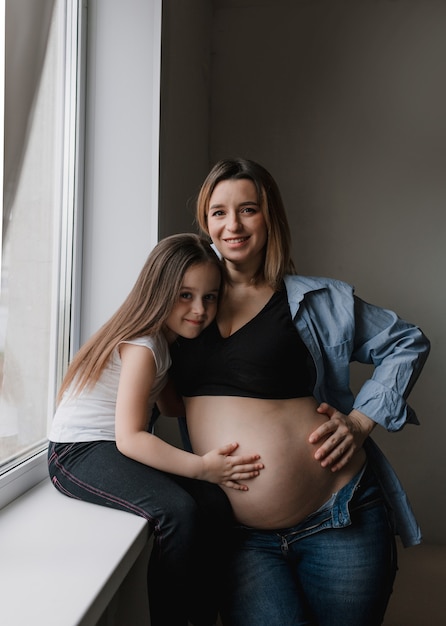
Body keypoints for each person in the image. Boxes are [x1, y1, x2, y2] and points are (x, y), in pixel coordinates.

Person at [169, 159, 430, 626]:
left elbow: (406, 341)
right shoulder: (180, 301)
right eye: (218, 212)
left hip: (340, 517)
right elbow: (134, 364)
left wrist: (361, 420)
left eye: (248, 209)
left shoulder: (317, 301)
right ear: (205, 222)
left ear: (270, 218)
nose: (233, 225)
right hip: (239, 536)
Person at [47, 233, 265, 626]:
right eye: (185, 295)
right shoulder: (144, 346)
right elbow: (130, 437)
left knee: (214, 503)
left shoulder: (165, 344)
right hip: (77, 452)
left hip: (112, 445)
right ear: (159, 290)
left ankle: (203, 615)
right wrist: (202, 467)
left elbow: (172, 406)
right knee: (176, 512)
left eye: (209, 297)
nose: (199, 309)